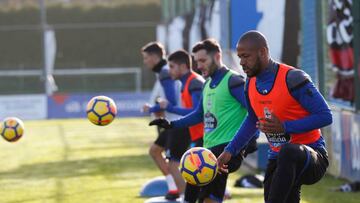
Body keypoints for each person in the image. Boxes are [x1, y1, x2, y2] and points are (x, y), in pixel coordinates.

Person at [217, 30, 332, 203]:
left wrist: (285, 127)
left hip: (311, 157)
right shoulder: (250, 83)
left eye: (246, 56)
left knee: (288, 151)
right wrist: (229, 151)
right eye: (240, 57)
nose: (241, 62)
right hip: (277, 158)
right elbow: (252, 119)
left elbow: (325, 116)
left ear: (262, 52)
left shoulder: (293, 78)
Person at [150, 39, 258, 203]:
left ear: (217, 57)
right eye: (196, 61)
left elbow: (254, 113)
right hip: (208, 151)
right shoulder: (207, 84)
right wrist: (171, 124)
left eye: (202, 60)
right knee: (193, 195)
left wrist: (245, 143)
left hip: (226, 152)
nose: (199, 66)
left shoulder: (234, 81)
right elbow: (198, 114)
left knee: (206, 197)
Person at [141, 42, 190, 200]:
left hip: (177, 124)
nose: (145, 61)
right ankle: (174, 188)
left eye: (146, 58)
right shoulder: (162, 72)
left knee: (173, 165)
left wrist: (152, 108)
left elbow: (171, 101)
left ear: (155, 57)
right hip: (171, 124)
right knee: (154, 151)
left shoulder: (164, 72)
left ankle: (184, 197)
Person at [159, 49, 205, 201]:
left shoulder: (194, 82)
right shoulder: (186, 83)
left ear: (183, 66)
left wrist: (169, 107)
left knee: (186, 172)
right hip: (197, 136)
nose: (169, 70)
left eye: (172, 66)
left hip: (205, 136)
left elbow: (198, 112)